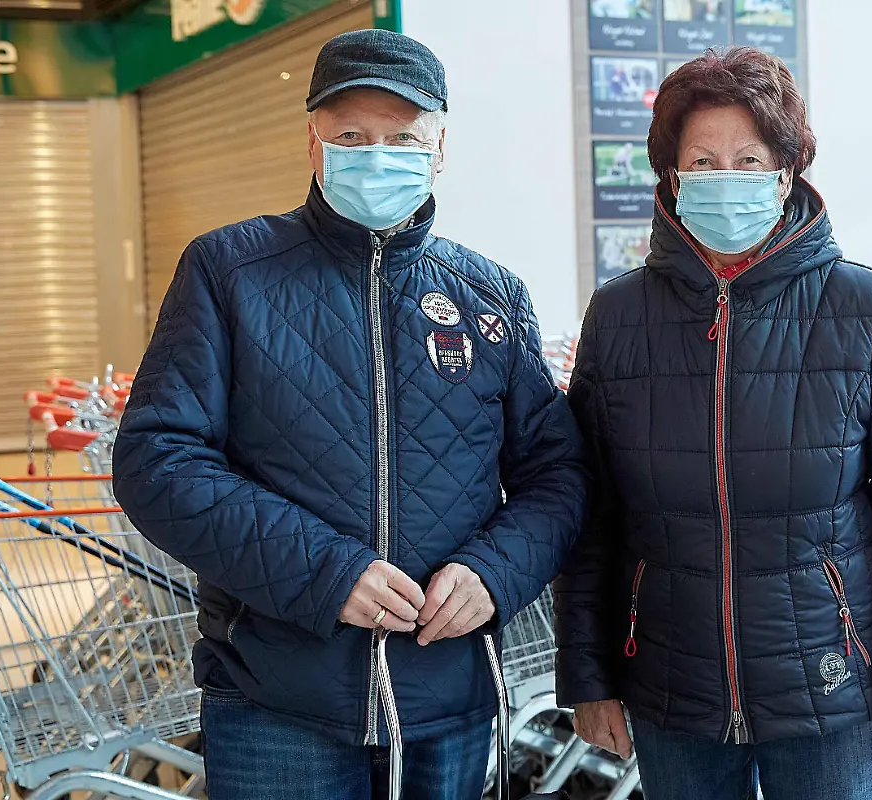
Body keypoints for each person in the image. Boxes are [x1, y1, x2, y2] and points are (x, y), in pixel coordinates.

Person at [112, 29, 587, 800]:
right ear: (312, 143)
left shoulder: (490, 296)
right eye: (352, 137)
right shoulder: (231, 273)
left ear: (439, 148)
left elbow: (557, 474)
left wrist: (494, 572)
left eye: (403, 137)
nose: (378, 155)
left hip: (450, 699)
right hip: (278, 700)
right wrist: (325, 572)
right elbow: (156, 459)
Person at [554, 47, 872, 800]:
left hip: (831, 691)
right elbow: (591, 520)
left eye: (748, 159)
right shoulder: (618, 318)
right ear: (672, 180)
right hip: (671, 690)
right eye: (703, 160)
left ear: (785, 174)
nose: (725, 177)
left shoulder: (866, 310)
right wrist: (589, 676)